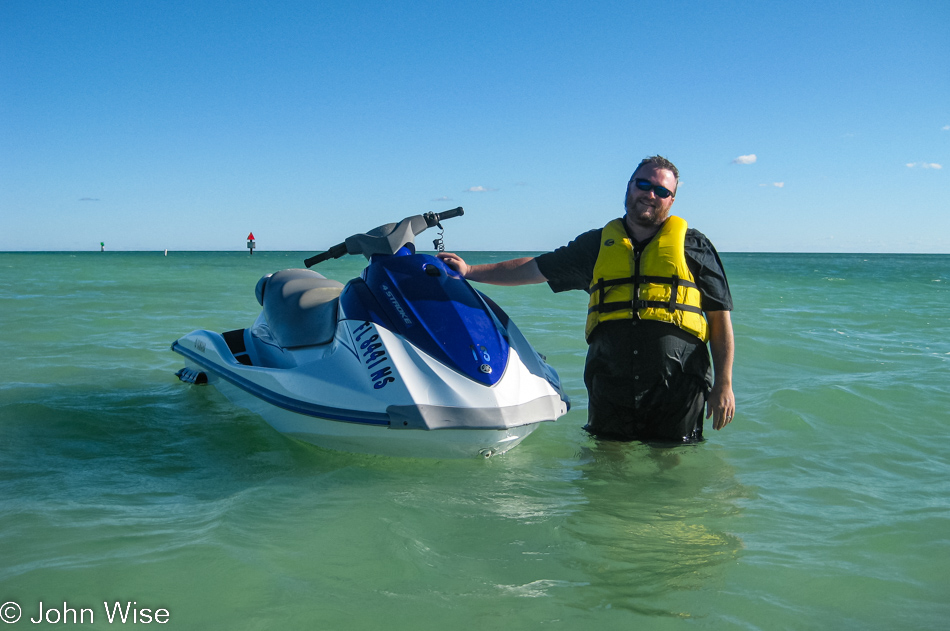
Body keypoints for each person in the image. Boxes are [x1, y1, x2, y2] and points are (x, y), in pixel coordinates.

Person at [437, 156, 735, 443]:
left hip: (678, 384)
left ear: (671, 200)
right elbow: (534, 268)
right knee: (605, 468)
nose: (650, 195)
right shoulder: (596, 245)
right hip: (610, 380)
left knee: (671, 470)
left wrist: (724, 383)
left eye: (661, 191)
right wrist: (470, 271)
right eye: (643, 185)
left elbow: (719, 320)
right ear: (629, 186)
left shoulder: (694, 245)